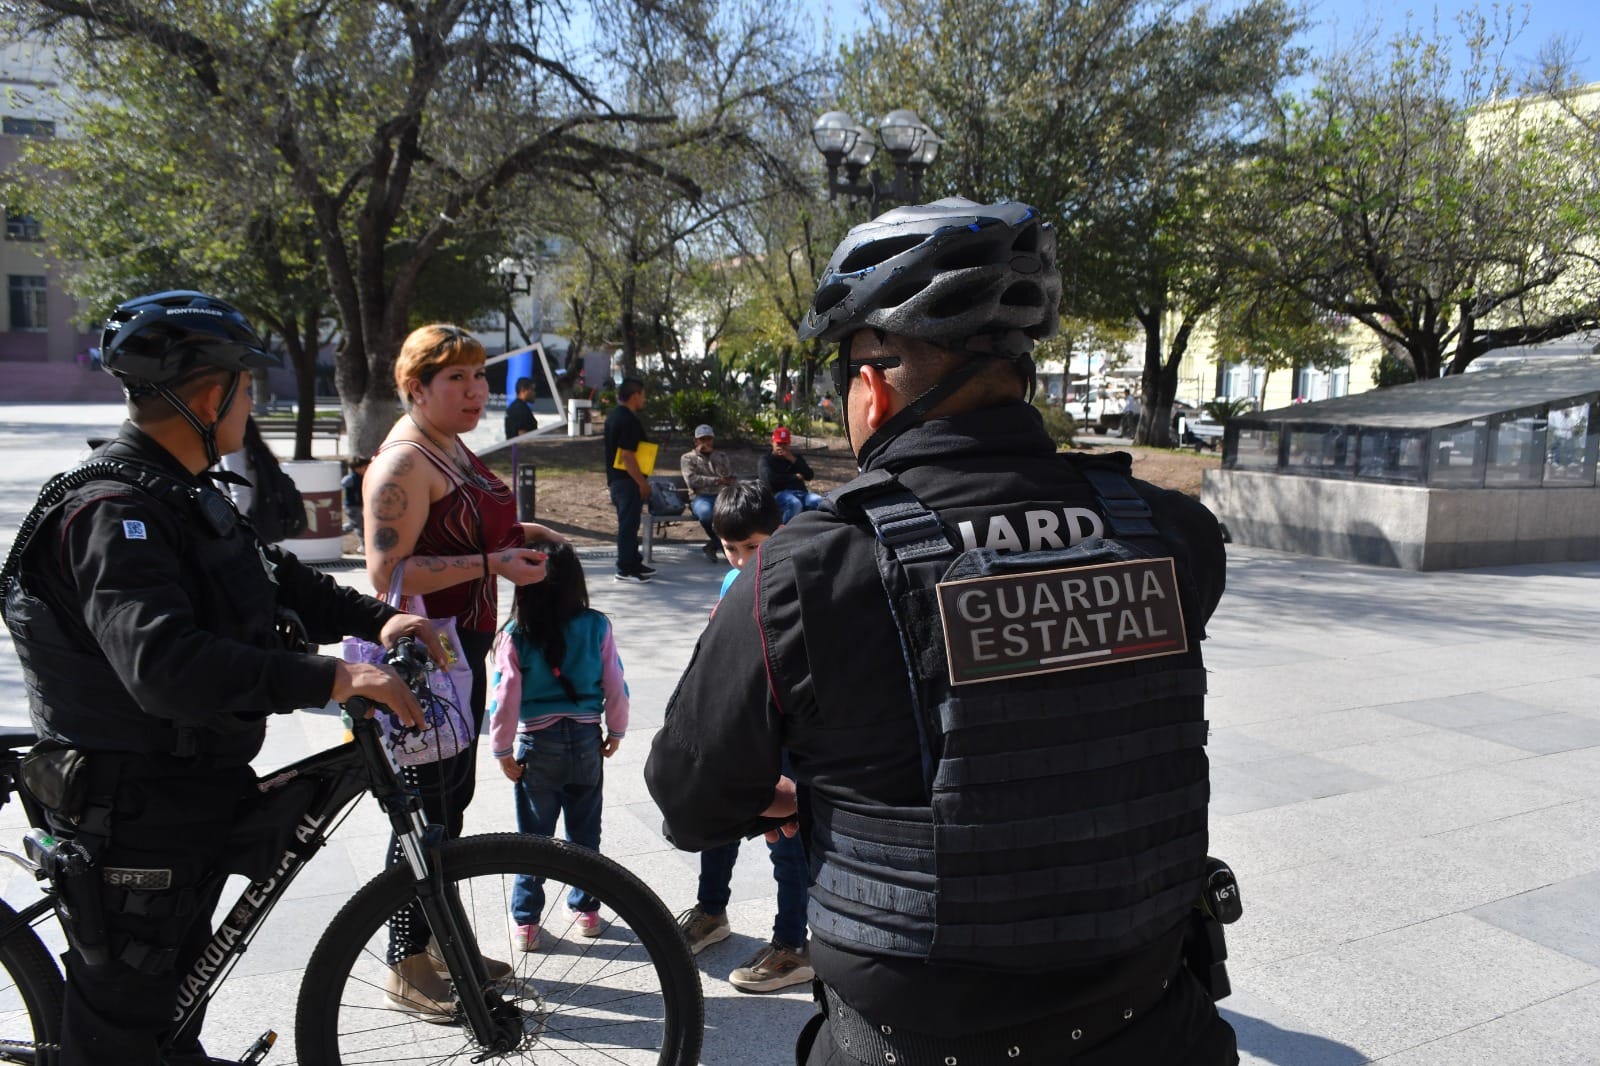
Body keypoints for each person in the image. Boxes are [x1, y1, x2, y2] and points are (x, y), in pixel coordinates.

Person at [645, 199, 1233, 1065]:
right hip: (1155, 1024)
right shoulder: (1168, 531)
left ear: (873, 383)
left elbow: (691, 797)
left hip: (911, 1041)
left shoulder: (809, 568)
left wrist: (794, 793)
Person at [0, 290, 440, 1066]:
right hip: (132, 811)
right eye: (249, 387)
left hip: (187, 795)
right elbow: (164, 668)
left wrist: (380, 621)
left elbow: (276, 579)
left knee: (173, 1007)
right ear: (210, 394)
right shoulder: (113, 510)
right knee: (124, 1040)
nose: (253, 402)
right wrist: (332, 680)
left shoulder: (183, 491)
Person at [362, 323, 563, 1016]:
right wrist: (491, 564)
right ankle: (405, 963)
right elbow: (387, 575)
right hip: (428, 664)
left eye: (480, 376)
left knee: (448, 806)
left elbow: (469, 529)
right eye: (457, 379)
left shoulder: (450, 446)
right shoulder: (403, 464)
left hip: (463, 654)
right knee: (421, 812)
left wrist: (521, 539)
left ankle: (443, 941)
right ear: (416, 388)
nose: (477, 390)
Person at [675, 481, 814, 993]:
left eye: (752, 548)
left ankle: (793, 946)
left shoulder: (796, 583)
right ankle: (712, 912)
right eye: (731, 550)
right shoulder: (731, 586)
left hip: (783, 736)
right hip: (740, 730)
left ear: (779, 535)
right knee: (720, 822)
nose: (740, 561)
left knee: (787, 843)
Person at [488, 541, 628, 952]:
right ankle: (586, 911)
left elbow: (505, 695)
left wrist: (501, 749)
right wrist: (616, 731)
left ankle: (526, 923)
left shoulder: (514, 634)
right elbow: (615, 683)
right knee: (586, 832)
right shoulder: (597, 625)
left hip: (538, 742)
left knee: (533, 837)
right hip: (586, 740)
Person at [604, 377, 655, 582]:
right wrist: (641, 482)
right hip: (627, 481)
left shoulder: (615, 415)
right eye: (642, 395)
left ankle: (634, 561)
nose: (644, 399)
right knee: (627, 524)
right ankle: (625, 569)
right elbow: (627, 455)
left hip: (619, 481)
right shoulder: (627, 419)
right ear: (635, 395)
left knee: (631, 523)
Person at [680, 424, 736, 561]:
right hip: (700, 497)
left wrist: (714, 460)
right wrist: (718, 480)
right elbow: (692, 480)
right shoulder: (688, 458)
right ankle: (727, 547)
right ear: (696, 441)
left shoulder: (721, 456)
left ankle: (713, 545)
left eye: (709, 439)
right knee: (706, 513)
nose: (706, 442)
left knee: (737, 513)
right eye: (702, 439)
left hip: (721, 496)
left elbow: (729, 476)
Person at [758, 426, 823, 524]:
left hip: (801, 493)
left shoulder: (795, 458)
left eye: (785, 444)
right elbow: (770, 480)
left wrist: (793, 460)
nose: (782, 447)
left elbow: (809, 475)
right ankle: (784, 535)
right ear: (772, 443)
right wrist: (794, 477)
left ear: (789, 444)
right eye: (779, 443)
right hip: (779, 495)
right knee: (795, 504)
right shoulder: (766, 460)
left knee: (819, 501)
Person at [342, 454, 371, 538]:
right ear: (357, 469)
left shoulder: (363, 478)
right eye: (365, 468)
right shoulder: (351, 478)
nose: (367, 470)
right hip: (352, 506)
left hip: (358, 505)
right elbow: (342, 484)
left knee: (360, 525)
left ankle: (363, 545)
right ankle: (337, 532)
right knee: (356, 524)